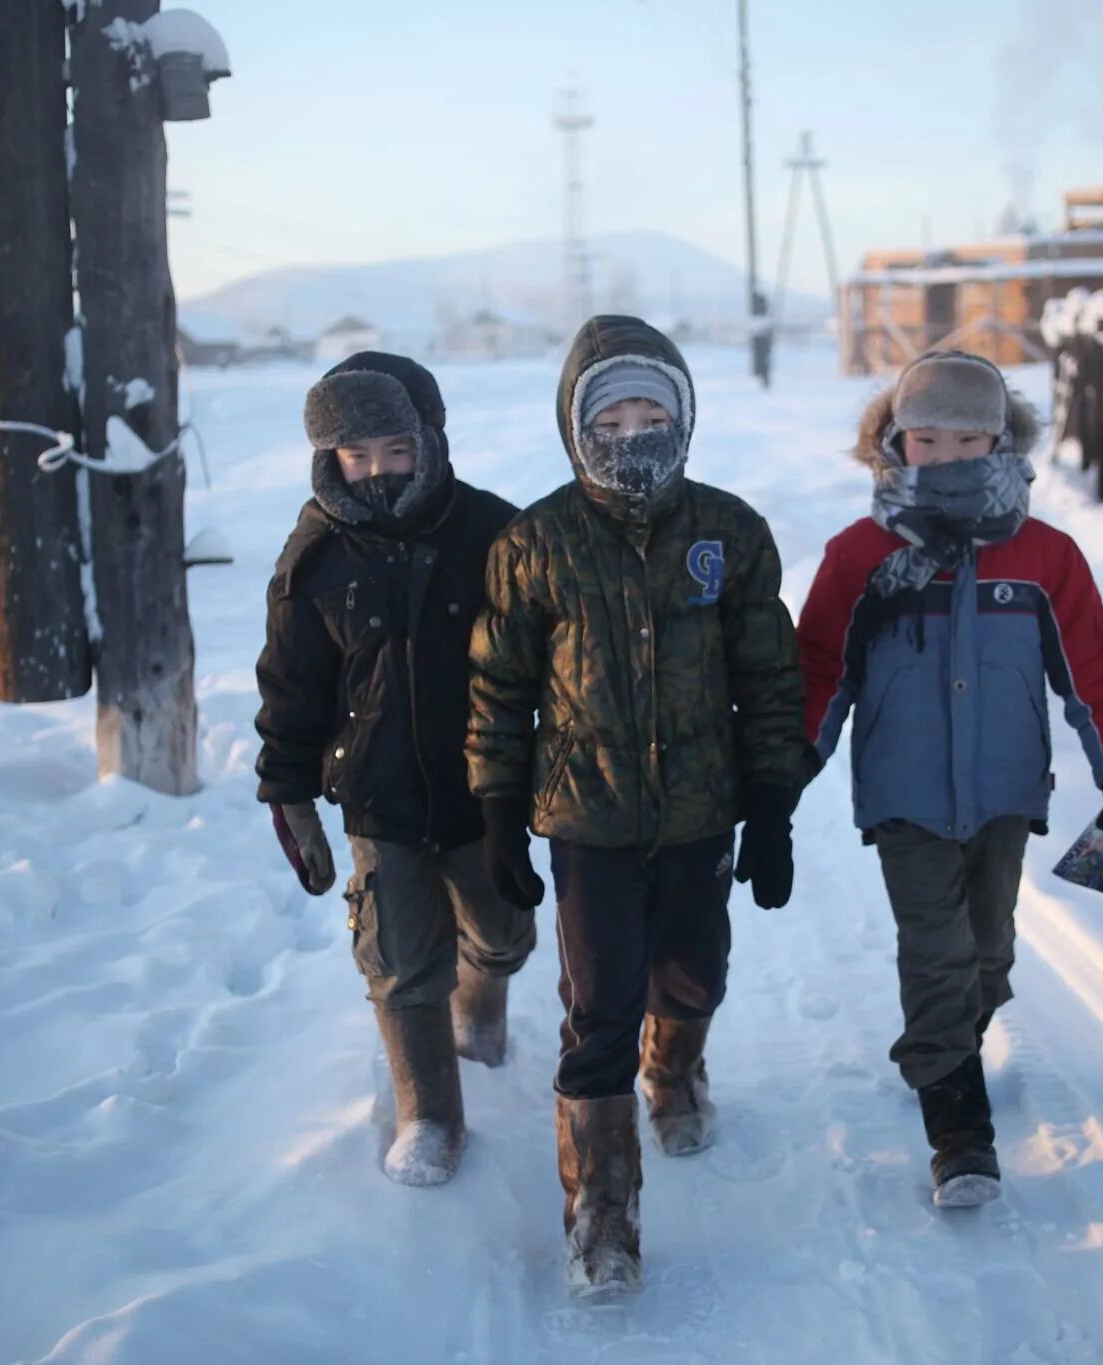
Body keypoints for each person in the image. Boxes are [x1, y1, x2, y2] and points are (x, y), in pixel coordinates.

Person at [466, 315, 804, 1295]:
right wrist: (497, 809)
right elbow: (497, 689)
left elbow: (769, 679)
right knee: (599, 1005)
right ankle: (601, 1210)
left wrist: (773, 808)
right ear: (576, 427)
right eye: (608, 414)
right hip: (586, 819)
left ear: (683, 417)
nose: (630, 431)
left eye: (649, 410)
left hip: (701, 811)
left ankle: (675, 1068)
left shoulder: (728, 533)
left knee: (692, 976)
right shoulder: (534, 542)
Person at [795, 349, 1103, 1208]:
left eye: (967, 440)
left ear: (998, 441)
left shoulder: (1043, 557)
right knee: (937, 951)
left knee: (988, 953)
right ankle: (960, 1131)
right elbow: (817, 670)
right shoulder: (861, 555)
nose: (946, 457)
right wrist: (783, 774)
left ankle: (953, 1035)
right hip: (904, 797)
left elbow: (1095, 672)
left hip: (1003, 793)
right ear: (894, 441)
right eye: (925, 440)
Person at [255, 352, 534, 1188]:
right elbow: (292, 679)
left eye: (394, 450)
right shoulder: (316, 553)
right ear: (329, 458)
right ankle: (429, 1114)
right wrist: (289, 790)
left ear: (429, 440)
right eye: (355, 455)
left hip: (482, 790)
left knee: (502, 934)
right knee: (401, 961)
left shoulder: (492, 531)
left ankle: (481, 1014)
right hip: (378, 795)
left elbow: (545, 659)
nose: (376, 472)